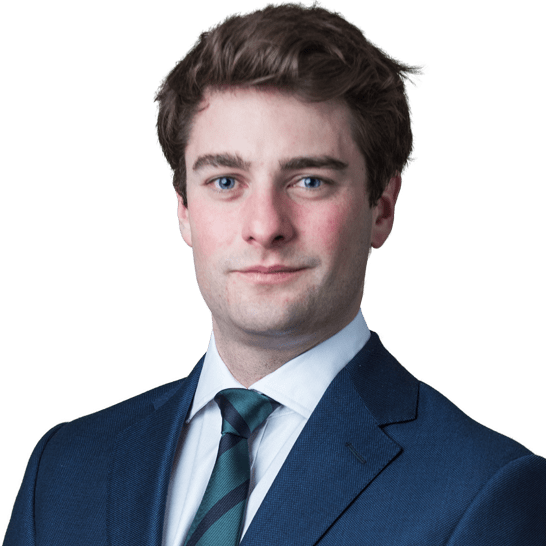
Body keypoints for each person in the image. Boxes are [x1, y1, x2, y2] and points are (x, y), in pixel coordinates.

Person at [4, 3, 545, 545]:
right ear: (184, 209)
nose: (265, 227)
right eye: (225, 181)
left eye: (309, 181)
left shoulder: (484, 491)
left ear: (381, 207)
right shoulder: (64, 468)